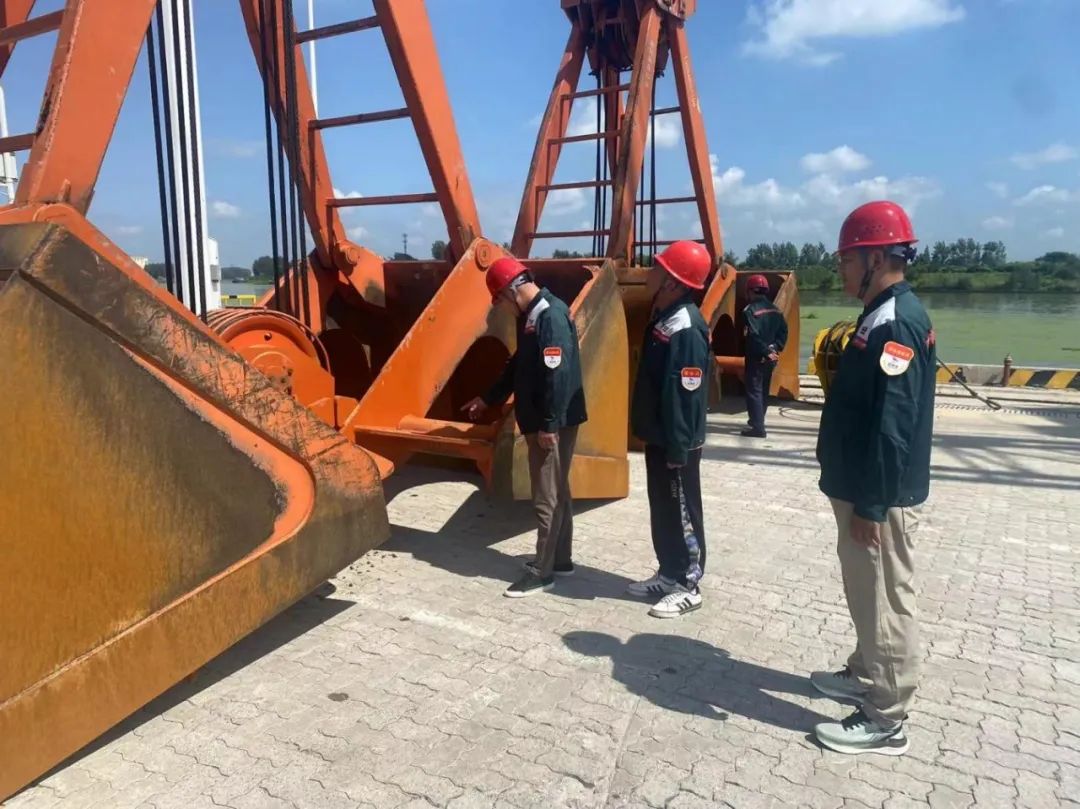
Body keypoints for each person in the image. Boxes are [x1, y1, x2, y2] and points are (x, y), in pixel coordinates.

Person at [810, 200, 937, 756]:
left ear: (877, 259)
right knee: (866, 590)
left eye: (847, 259)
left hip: (875, 492)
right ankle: (865, 671)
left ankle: (886, 716)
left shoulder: (896, 321)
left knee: (885, 598)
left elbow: (894, 424)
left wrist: (873, 505)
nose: (840, 268)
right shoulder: (878, 313)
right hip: (861, 484)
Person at [462, 256, 587, 598]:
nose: (502, 308)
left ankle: (542, 572)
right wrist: (488, 398)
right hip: (550, 419)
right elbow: (519, 366)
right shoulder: (533, 316)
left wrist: (549, 424)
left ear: (510, 291)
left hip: (552, 421)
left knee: (546, 496)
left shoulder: (550, 316)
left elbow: (557, 374)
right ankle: (560, 559)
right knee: (557, 490)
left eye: (499, 301)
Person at [626, 240, 712, 619]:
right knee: (663, 509)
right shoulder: (665, 318)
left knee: (682, 512)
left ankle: (688, 585)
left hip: (677, 442)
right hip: (662, 437)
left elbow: (685, 395)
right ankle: (669, 573)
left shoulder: (686, 327)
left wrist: (678, 447)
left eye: (658, 268)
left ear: (673, 282)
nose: (650, 272)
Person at [740, 274, 788, 438]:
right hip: (772, 356)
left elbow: (753, 335)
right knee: (764, 390)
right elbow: (784, 332)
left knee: (754, 390)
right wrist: (774, 349)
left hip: (757, 356)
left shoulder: (749, 311)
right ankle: (758, 420)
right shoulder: (776, 310)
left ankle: (757, 427)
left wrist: (765, 351)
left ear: (749, 291)